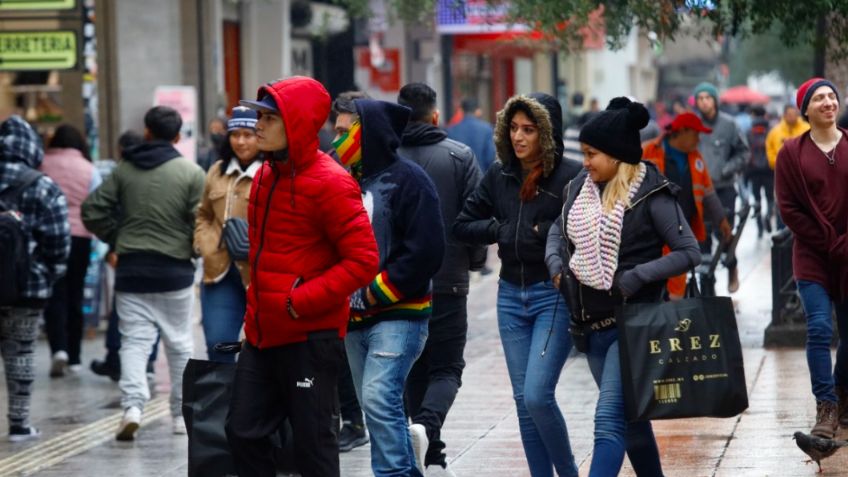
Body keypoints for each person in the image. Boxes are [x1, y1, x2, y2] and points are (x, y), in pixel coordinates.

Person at [224, 77, 379, 477]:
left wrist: (299, 300)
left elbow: (363, 260)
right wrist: (252, 318)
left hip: (309, 337)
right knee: (241, 431)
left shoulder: (331, 182)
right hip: (261, 334)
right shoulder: (263, 177)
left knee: (313, 447)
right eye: (258, 115)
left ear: (295, 124)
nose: (257, 124)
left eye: (268, 117)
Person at [546, 97, 701, 477]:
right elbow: (556, 228)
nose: (585, 162)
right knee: (631, 421)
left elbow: (688, 251)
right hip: (590, 326)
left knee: (608, 422)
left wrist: (637, 276)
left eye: (592, 154)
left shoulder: (651, 192)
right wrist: (555, 264)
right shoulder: (581, 187)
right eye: (584, 153)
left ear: (616, 155)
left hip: (632, 327)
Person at [453, 93, 582, 477]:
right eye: (513, 128)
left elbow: (584, 234)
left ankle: (569, 472)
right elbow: (462, 224)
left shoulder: (571, 176)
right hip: (510, 296)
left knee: (537, 396)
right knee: (523, 401)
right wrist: (500, 229)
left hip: (552, 296)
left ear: (547, 133)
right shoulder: (499, 174)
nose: (519, 137)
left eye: (529, 129)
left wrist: (544, 237)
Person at [336, 97, 445, 477]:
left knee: (378, 399)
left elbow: (427, 249)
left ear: (367, 133)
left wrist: (373, 292)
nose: (335, 141)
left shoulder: (410, 180)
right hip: (351, 318)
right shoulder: (342, 180)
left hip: (400, 313)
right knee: (378, 408)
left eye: (342, 131)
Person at [82, 106, 205, 440]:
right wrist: (189, 248)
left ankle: (133, 407)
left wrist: (117, 238)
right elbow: (201, 222)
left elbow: (92, 210)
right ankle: (181, 417)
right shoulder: (191, 172)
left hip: (131, 268)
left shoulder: (124, 170)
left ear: (147, 131)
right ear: (178, 137)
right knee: (179, 344)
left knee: (134, 343)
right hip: (174, 271)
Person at [397, 83, 483, 476]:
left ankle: (432, 453)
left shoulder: (386, 157)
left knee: (415, 367)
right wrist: (475, 262)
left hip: (396, 281)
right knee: (447, 368)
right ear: (435, 115)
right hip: (448, 279)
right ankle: (428, 431)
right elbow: (475, 217)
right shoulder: (460, 156)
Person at [775, 77, 848, 439]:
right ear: (806, 109)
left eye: (831, 96)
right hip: (812, 256)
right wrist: (826, 240)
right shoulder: (792, 152)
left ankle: (842, 393)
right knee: (819, 328)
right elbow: (788, 208)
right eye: (818, 98)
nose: (827, 103)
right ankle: (827, 405)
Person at [0, 116, 70, 441]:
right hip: (26, 287)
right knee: (22, 351)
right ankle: (18, 425)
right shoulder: (42, 185)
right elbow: (58, 241)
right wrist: (47, 274)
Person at [89, 130, 160, 382]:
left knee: (124, 310)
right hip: (161, 254)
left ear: (121, 150)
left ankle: (116, 362)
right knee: (156, 310)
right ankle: (149, 362)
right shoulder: (161, 171)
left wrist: (114, 243)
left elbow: (95, 211)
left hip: (127, 253)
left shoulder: (121, 174)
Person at [193, 106, 261, 363]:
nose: (241, 141)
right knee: (218, 345)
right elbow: (203, 213)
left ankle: (254, 401)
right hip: (219, 271)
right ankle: (225, 403)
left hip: (260, 273)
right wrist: (203, 243)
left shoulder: (272, 172)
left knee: (263, 350)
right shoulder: (217, 170)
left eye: (248, 134)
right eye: (235, 134)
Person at [642, 112, 732, 299]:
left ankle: (674, 319)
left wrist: (721, 220)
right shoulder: (649, 151)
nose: (699, 139)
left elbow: (708, 193)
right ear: (681, 132)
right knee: (651, 283)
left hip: (681, 232)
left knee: (677, 283)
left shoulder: (696, 158)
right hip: (651, 233)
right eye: (696, 134)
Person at [39, 124, 102, 377]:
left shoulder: (42, 165)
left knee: (54, 293)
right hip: (79, 236)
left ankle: (59, 350)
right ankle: (75, 357)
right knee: (75, 294)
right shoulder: (88, 168)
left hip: (48, 235)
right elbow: (96, 202)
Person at [329, 89, 373, 453]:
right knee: (345, 357)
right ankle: (352, 419)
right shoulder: (329, 164)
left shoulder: (389, 169)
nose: (337, 138)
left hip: (384, 287)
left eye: (346, 131)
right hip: (340, 281)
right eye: (336, 129)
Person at [693, 82, 749, 293]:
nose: (704, 102)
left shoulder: (729, 124)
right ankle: (708, 287)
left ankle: (732, 266)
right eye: (700, 98)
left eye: (708, 97)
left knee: (724, 233)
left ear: (715, 100)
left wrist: (727, 169)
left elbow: (743, 153)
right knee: (702, 238)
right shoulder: (691, 125)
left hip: (723, 189)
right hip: (698, 192)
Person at [744, 106, 775, 238]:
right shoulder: (771, 130)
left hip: (753, 171)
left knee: (756, 199)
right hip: (769, 170)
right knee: (769, 197)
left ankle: (759, 227)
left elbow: (745, 152)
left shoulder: (748, 132)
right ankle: (768, 215)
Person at [446, 98, 495, 173]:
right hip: (481, 178)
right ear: (478, 111)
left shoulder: (451, 130)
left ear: (462, 110)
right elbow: (490, 158)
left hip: (458, 179)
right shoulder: (487, 129)